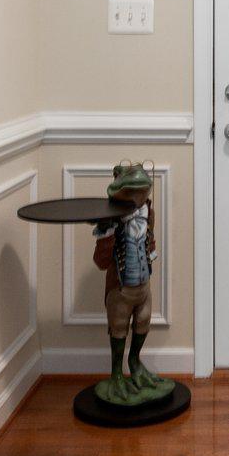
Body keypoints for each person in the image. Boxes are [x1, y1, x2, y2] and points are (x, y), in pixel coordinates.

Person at [90, 161, 174, 406]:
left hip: (143, 287)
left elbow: (150, 240)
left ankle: (135, 363)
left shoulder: (148, 212)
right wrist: (105, 232)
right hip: (121, 289)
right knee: (118, 328)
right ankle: (116, 373)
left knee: (143, 322)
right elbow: (101, 261)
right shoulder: (111, 220)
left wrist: (151, 253)